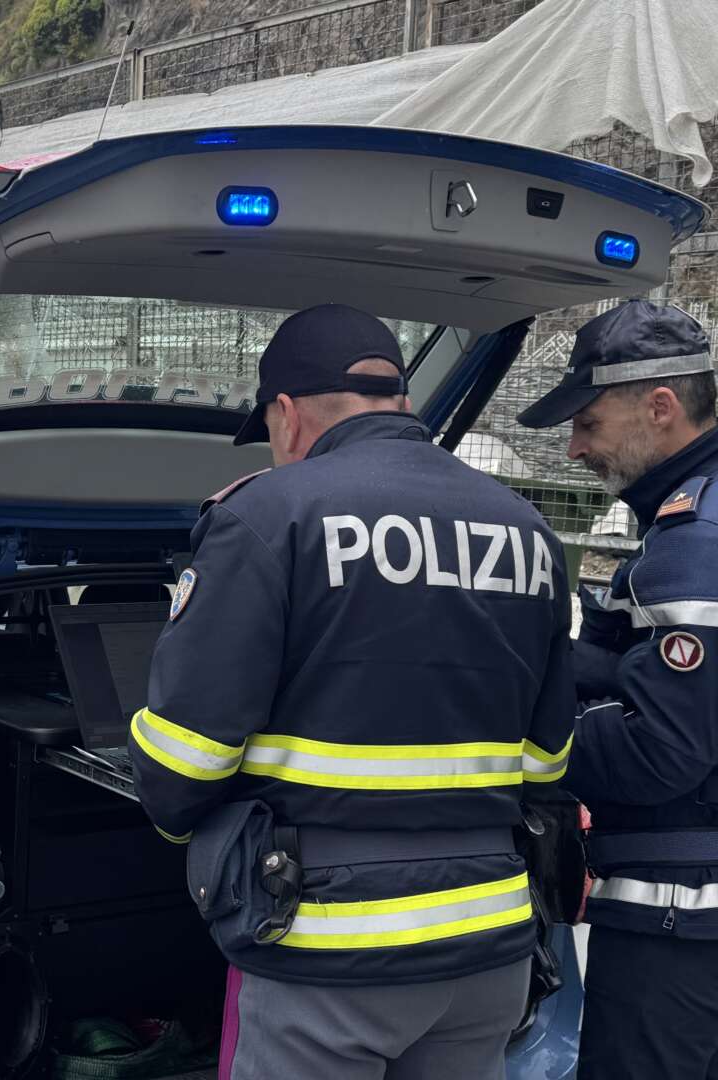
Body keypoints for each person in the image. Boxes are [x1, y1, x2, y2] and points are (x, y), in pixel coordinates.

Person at [128, 303, 575, 1080]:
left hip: (328, 951)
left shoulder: (268, 515)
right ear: (401, 400)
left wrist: (189, 839)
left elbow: (184, 762)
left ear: (287, 413)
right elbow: (544, 763)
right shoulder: (525, 529)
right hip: (487, 945)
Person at [516, 299, 718, 1080]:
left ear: (660, 408)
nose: (574, 448)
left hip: (679, 916)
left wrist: (524, 735)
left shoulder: (692, 544)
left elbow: (662, 750)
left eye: (588, 425)